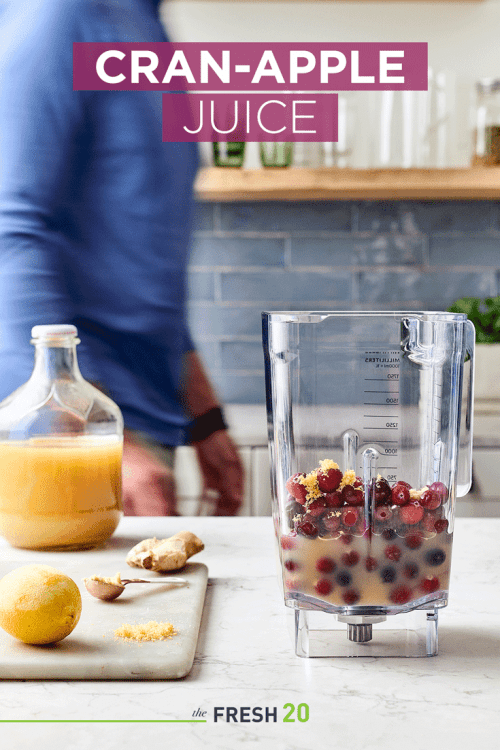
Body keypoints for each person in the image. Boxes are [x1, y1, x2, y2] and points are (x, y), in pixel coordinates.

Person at [0, 0, 244, 516]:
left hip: (133, 422)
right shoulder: (59, 15)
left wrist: (204, 417)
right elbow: (10, 232)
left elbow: (138, 264)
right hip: (70, 437)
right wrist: (88, 436)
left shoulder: (144, 24)